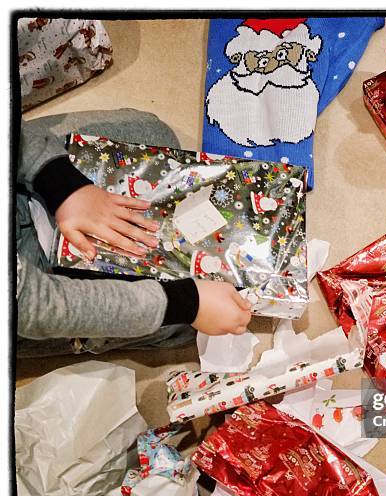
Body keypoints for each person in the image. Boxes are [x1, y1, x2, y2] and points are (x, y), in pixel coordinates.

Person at [16, 108, 251, 357]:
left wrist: (61, 183)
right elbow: (44, 306)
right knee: (188, 325)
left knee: (156, 135)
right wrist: (186, 303)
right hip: (29, 301)